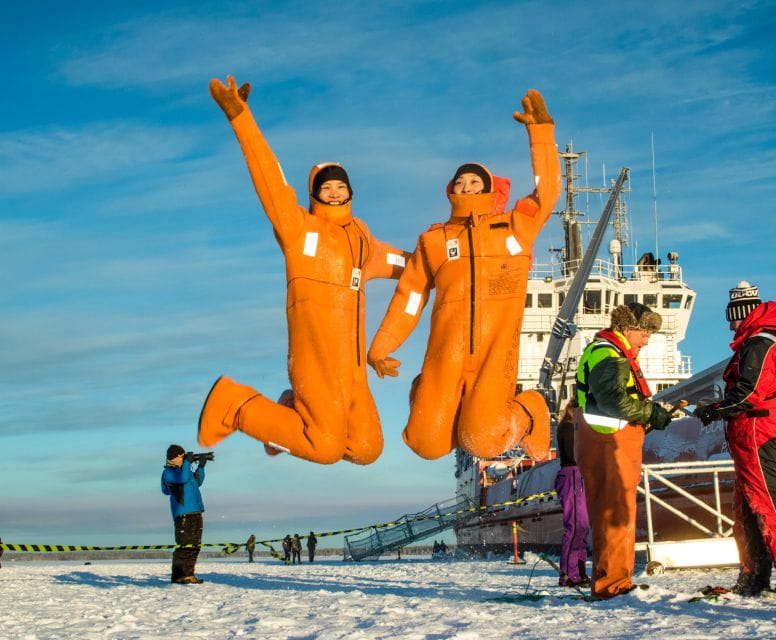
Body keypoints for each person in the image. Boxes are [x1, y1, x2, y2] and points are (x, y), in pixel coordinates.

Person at [198, 76, 407, 465]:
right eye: (325, 186)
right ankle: (236, 404)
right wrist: (241, 118)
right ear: (314, 191)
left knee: (366, 449)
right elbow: (270, 181)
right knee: (325, 448)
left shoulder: (366, 243)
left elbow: (410, 265)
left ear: (350, 191)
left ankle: (288, 415)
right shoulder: (299, 230)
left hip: (355, 370)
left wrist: (456, 259)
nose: (333, 191)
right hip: (315, 358)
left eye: (340, 185)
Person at [367, 89, 561, 461]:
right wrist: (380, 348)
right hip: (445, 356)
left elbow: (548, 191)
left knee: (483, 442)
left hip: (494, 356)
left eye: (475, 183)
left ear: (489, 191)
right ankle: (427, 390)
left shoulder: (515, 228)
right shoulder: (434, 240)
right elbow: (409, 297)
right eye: (461, 183)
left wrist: (540, 133)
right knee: (424, 444)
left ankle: (531, 411)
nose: (467, 187)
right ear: (450, 191)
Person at [694, 282, 776, 598]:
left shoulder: (760, 343)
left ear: (743, 314)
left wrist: (714, 409)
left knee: (766, 504)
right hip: (757, 433)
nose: (729, 325)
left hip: (760, 432)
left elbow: (751, 392)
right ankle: (755, 575)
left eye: (732, 317)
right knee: (746, 508)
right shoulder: (765, 341)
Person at [575, 303, 672, 599]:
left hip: (603, 438)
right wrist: (649, 412)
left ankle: (612, 581)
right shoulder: (610, 354)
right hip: (611, 440)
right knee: (616, 512)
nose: (647, 339)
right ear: (627, 328)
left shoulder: (605, 352)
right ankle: (613, 586)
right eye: (644, 332)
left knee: (610, 512)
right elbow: (613, 401)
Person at [554, 399, 590, 588]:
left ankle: (580, 570)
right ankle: (568, 574)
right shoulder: (568, 428)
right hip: (573, 475)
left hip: (578, 475)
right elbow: (572, 454)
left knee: (582, 526)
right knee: (575, 525)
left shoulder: (573, 427)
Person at [161, 444, 207, 584]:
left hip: (196, 511)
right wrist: (187, 463)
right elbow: (182, 479)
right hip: (183, 514)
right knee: (184, 545)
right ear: (175, 457)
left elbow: (196, 481)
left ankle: (189, 574)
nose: (184, 458)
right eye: (182, 456)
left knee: (194, 545)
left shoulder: (183, 470)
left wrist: (201, 467)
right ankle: (178, 576)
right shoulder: (170, 472)